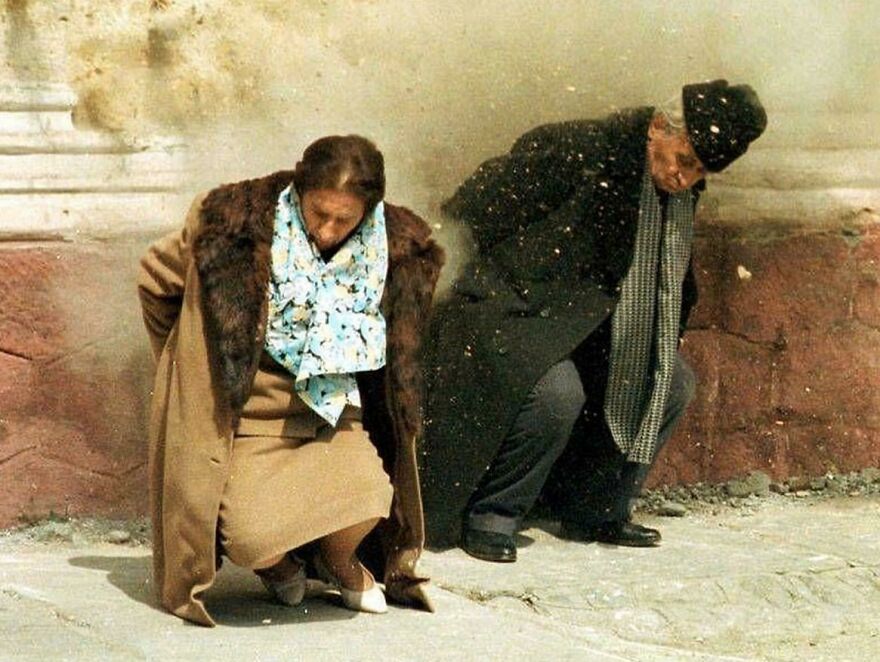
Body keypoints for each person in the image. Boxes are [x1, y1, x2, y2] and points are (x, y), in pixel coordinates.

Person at [422, 79, 766, 562]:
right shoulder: (576, 149)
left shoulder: (676, 193)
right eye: (683, 160)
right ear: (657, 127)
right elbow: (471, 212)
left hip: (586, 325)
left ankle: (598, 508)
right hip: (509, 309)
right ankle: (493, 513)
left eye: (699, 170)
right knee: (558, 394)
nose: (683, 178)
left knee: (670, 382)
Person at [138, 135, 444, 625]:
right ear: (299, 190)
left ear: (370, 209)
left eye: (344, 220)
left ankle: (341, 563)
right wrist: (182, 363)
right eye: (317, 212)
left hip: (331, 411)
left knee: (372, 500)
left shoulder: (396, 248)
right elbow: (155, 281)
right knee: (252, 538)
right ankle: (278, 566)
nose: (326, 230)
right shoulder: (232, 223)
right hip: (251, 416)